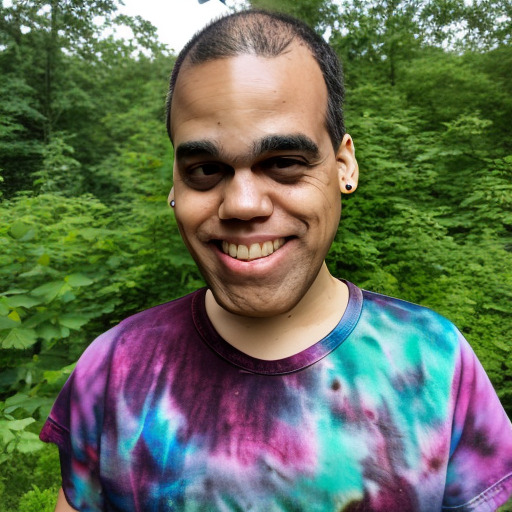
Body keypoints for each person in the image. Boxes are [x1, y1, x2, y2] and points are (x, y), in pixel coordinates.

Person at [41, 9, 512, 512]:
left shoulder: (436, 360)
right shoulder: (113, 368)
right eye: (206, 169)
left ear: (343, 165)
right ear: (175, 185)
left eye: (284, 163)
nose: (243, 205)